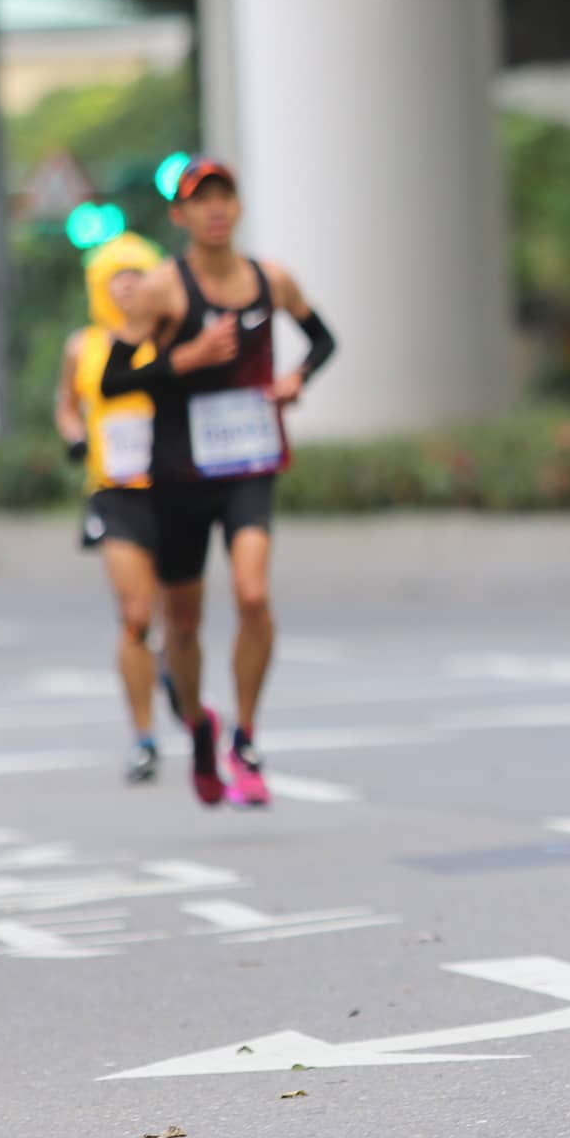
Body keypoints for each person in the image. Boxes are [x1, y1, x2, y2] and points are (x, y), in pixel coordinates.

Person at [101, 157, 338, 807]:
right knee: (183, 622)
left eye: (224, 196)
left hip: (250, 465)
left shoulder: (273, 280)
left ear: (237, 208)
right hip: (179, 475)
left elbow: (323, 340)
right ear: (179, 215)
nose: (214, 209)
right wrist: (185, 358)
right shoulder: (161, 290)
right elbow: (113, 382)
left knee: (254, 595)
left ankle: (248, 734)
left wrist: (296, 378)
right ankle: (200, 726)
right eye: (200, 200)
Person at [53, 233, 178, 784]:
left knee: (178, 615)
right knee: (135, 615)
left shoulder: (169, 338)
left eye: (136, 277)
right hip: (115, 492)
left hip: (173, 488)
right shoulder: (84, 347)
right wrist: (75, 435)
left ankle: (177, 672)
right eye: (115, 279)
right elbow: (66, 407)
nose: (126, 288)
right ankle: (144, 736)